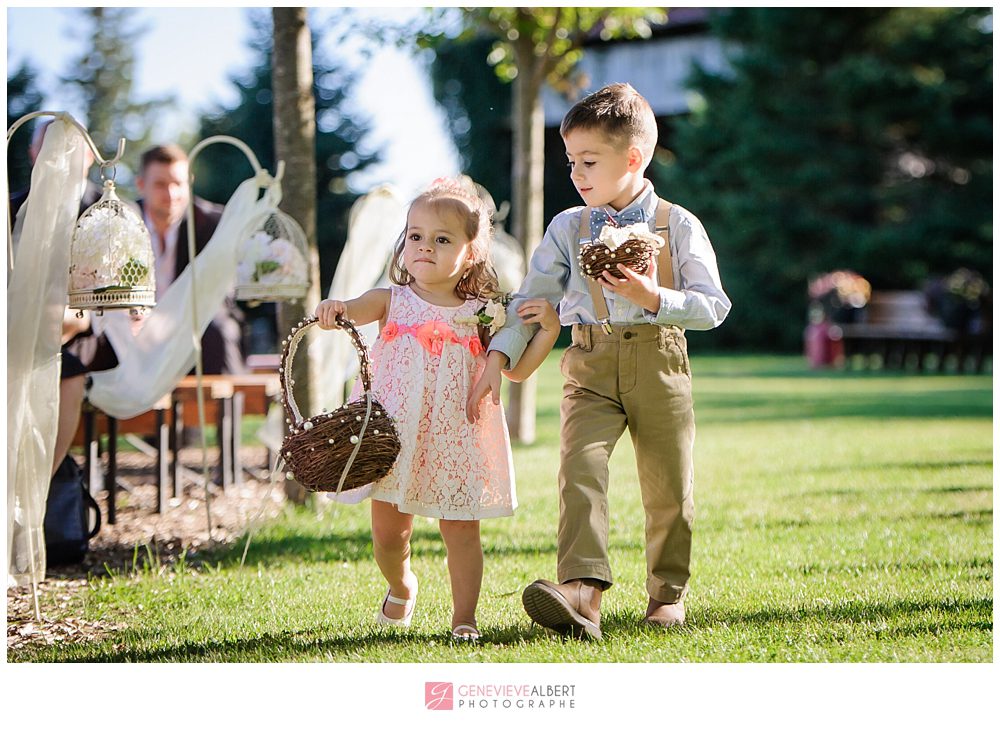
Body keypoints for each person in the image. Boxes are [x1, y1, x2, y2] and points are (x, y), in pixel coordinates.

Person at [467, 83, 732, 639]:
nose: (576, 174)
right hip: (588, 361)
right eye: (570, 162)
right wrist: (499, 352)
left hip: (659, 362)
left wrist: (653, 298)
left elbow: (714, 306)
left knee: (667, 487)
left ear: (633, 158)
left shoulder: (676, 224)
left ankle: (667, 594)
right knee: (579, 470)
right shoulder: (568, 226)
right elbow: (532, 297)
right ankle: (583, 591)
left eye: (589, 161)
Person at [314, 178, 560, 642]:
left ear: (471, 253)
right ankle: (401, 585)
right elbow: (354, 308)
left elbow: (518, 371)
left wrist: (548, 330)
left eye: (442, 239)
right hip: (394, 436)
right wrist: (335, 307)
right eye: (415, 236)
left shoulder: (484, 313)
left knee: (462, 531)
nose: (425, 247)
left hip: (457, 436)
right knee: (389, 535)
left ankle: (464, 617)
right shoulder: (392, 300)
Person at [8, 118, 116, 476]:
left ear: (88, 156)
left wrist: (68, 317)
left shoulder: (105, 212)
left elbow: (112, 290)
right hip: (16, 331)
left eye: (68, 151)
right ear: (33, 154)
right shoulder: (11, 208)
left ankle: (45, 479)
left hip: (80, 331)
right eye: (48, 149)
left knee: (66, 364)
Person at [135, 144, 246, 374]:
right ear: (141, 185)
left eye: (177, 183)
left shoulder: (214, 223)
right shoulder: (123, 221)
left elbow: (222, 294)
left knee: (217, 331)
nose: (171, 194)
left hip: (195, 325)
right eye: (160, 184)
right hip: (135, 325)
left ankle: (223, 408)